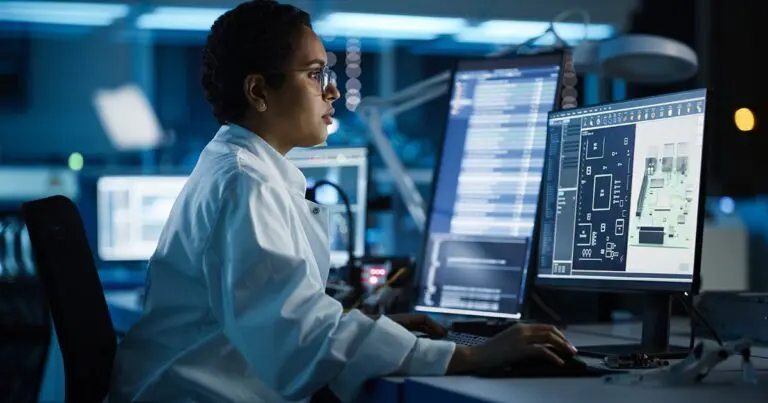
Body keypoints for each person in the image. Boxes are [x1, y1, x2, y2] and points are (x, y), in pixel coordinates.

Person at [108, 1, 577, 402]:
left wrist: (375, 325)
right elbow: (300, 338)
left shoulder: (241, 168)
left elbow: (283, 310)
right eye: (314, 75)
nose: (332, 90)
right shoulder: (245, 183)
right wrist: (471, 354)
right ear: (258, 91)